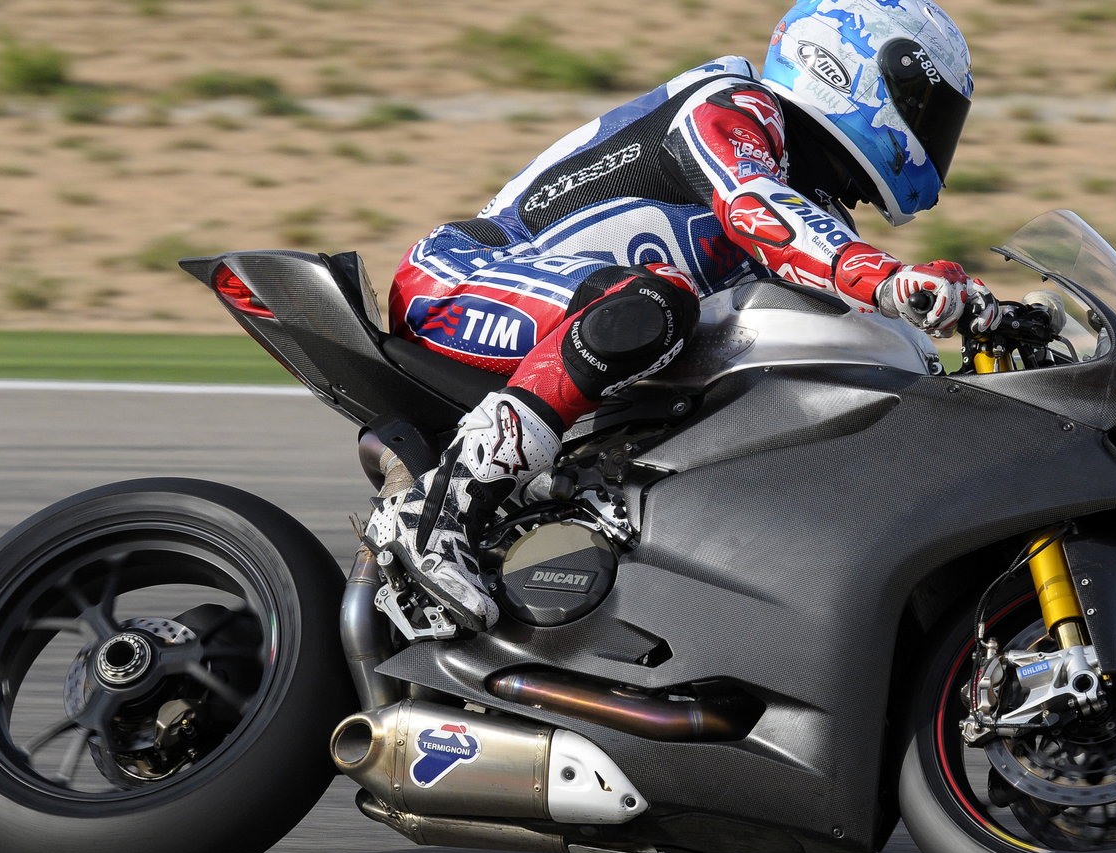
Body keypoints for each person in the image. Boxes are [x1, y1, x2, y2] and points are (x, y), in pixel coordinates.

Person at [365, 0, 998, 632]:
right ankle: (435, 514)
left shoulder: (820, 213)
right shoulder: (732, 106)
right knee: (655, 304)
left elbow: (860, 328)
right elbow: (755, 207)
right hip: (457, 279)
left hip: (565, 321)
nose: (934, 134)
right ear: (850, 71)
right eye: (925, 109)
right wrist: (887, 279)